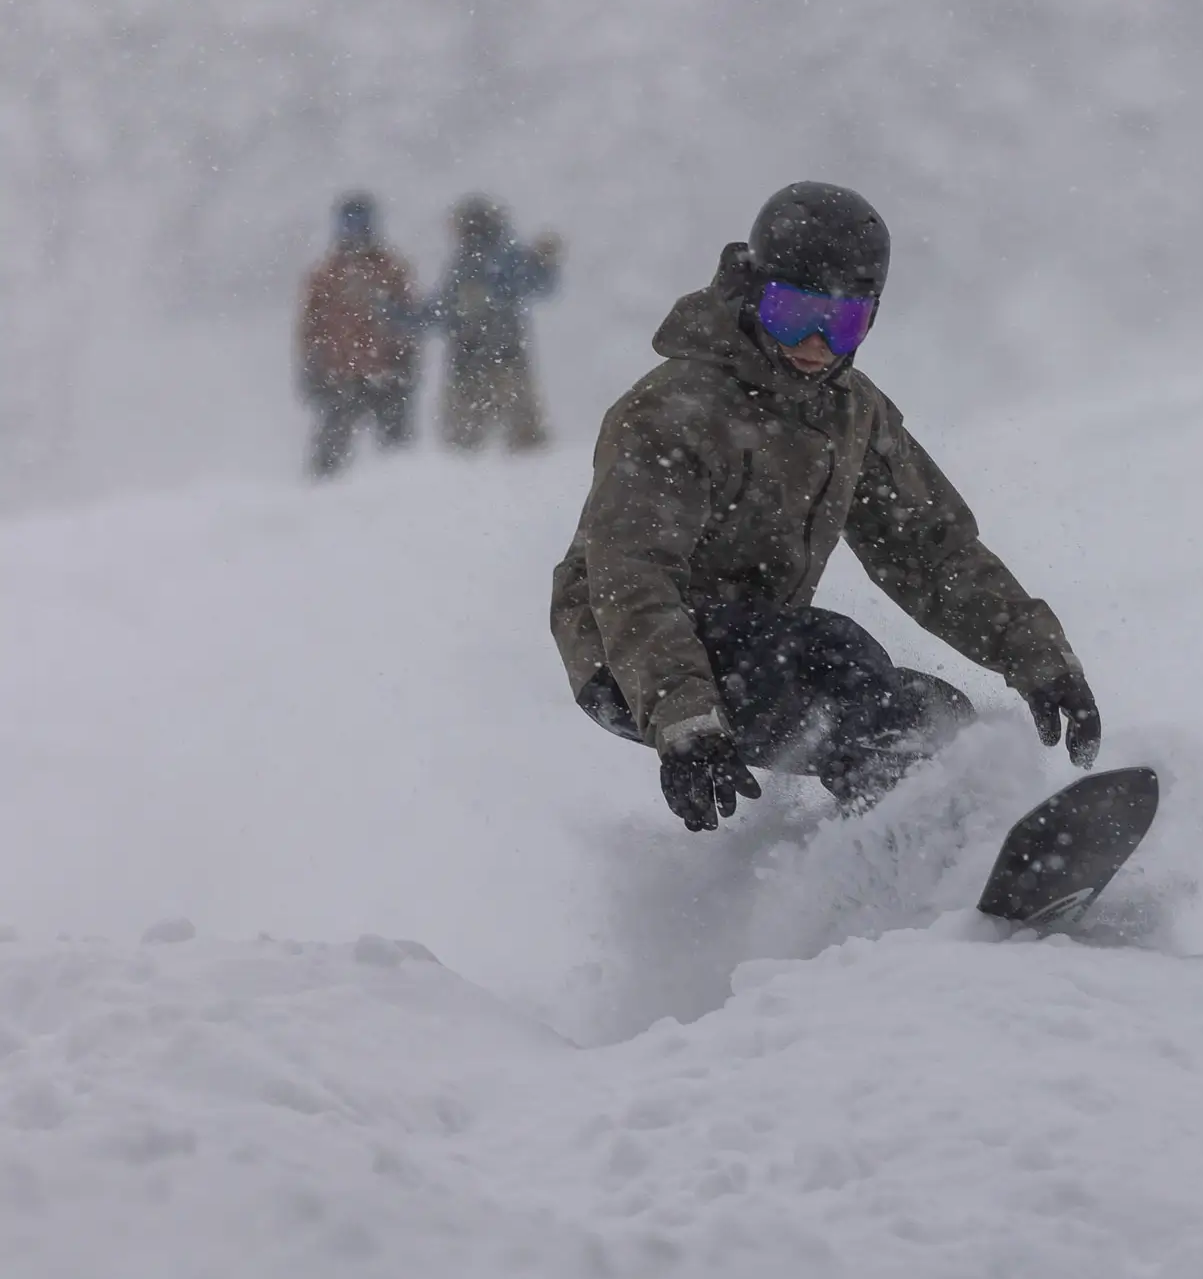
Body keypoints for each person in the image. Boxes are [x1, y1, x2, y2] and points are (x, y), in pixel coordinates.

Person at [552, 181, 1102, 831]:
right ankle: (909, 843)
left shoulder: (850, 412)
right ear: (754, 292)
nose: (816, 343)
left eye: (843, 323)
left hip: (754, 645)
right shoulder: (676, 411)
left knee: (936, 713)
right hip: (629, 659)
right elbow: (632, 575)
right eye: (794, 313)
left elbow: (929, 551)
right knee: (840, 660)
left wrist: (1036, 656)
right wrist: (684, 717)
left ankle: (966, 844)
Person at [296, 192, 420, 479]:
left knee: (396, 448)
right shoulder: (326, 274)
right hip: (340, 374)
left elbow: (407, 318)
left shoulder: (389, 270)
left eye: (360, 224)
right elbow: (310, 327)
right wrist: (312, 367)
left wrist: (406, 361)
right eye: (350, 225)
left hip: (384, 371)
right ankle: (322, 491)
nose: (355, 233)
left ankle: (403, 490)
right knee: (331, 450)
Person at [426, 195, 561, 452]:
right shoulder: (500, 257)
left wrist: (403, 316)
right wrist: (545, 262)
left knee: (463, 444)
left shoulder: (472, 262)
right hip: (502, 355)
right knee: (523, 438)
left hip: (476, 358)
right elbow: (539, 283)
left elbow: (441, 311)